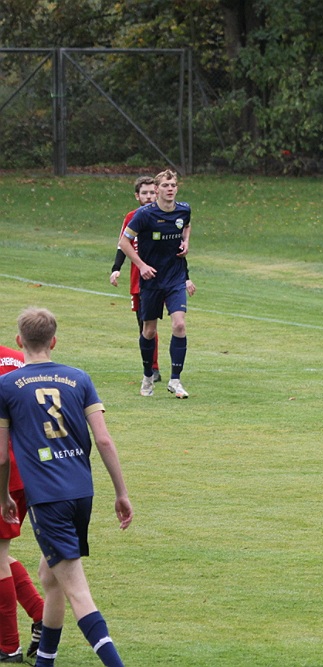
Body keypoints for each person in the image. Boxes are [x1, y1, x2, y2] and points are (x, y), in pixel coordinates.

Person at [0, 308, 133, 667]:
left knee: (77, 591)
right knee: (50, 576)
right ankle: (45, 661)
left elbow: (1, 456)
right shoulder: (79, 378)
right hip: (81, 492)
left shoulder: (7, 386)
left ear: (19, 340)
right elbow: (103, 440)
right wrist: (121, 493)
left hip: (48, 497)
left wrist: (3, 495)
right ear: (54, 341)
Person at [110, 176, 196, 386]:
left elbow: (180, 236)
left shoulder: (183, 210)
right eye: (145, 193)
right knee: (148, 329)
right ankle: (150, 371)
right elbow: (123, 243)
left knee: (179, 324)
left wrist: (186, 248)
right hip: (145, 278)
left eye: (173, 185)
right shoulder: (137, 216)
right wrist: (117, 268)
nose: (149, 196)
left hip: (173, 278)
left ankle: (175, 379)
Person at [0, 346, 45, 662]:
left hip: (5, 473)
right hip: (29, 470)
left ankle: (8, 645)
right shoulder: (16, 358)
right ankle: (41, 615)